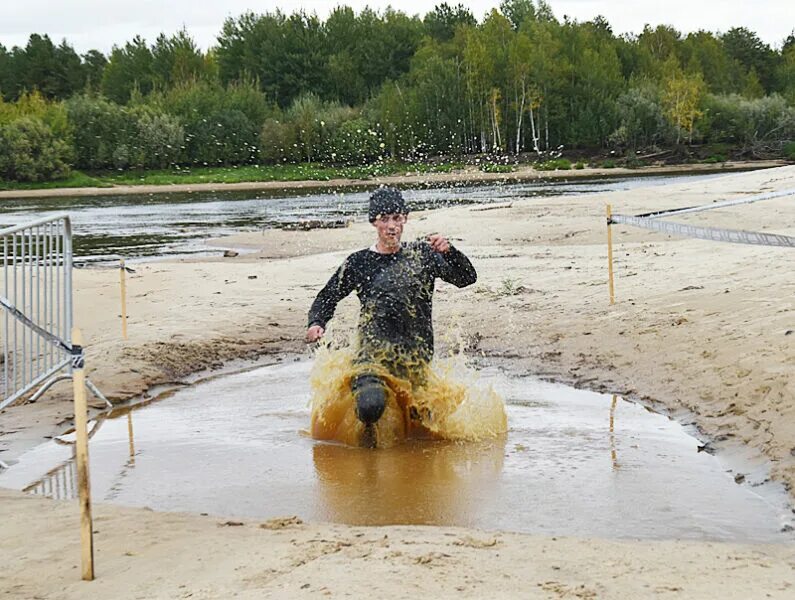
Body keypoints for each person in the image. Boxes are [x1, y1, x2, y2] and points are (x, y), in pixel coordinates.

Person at [306, 187, 477, 447]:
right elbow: (327, 297)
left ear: (405, 220)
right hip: (371, 356)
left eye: (397, 218)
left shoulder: (423, 255)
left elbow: (466, 279)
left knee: (426, 430)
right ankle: (367, 454)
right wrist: (316, 323)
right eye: (384, 219)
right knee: (371, 405)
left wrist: (450, 252)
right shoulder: (359, 262)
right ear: (374, 222)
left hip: (415, 356)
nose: (391, 226)